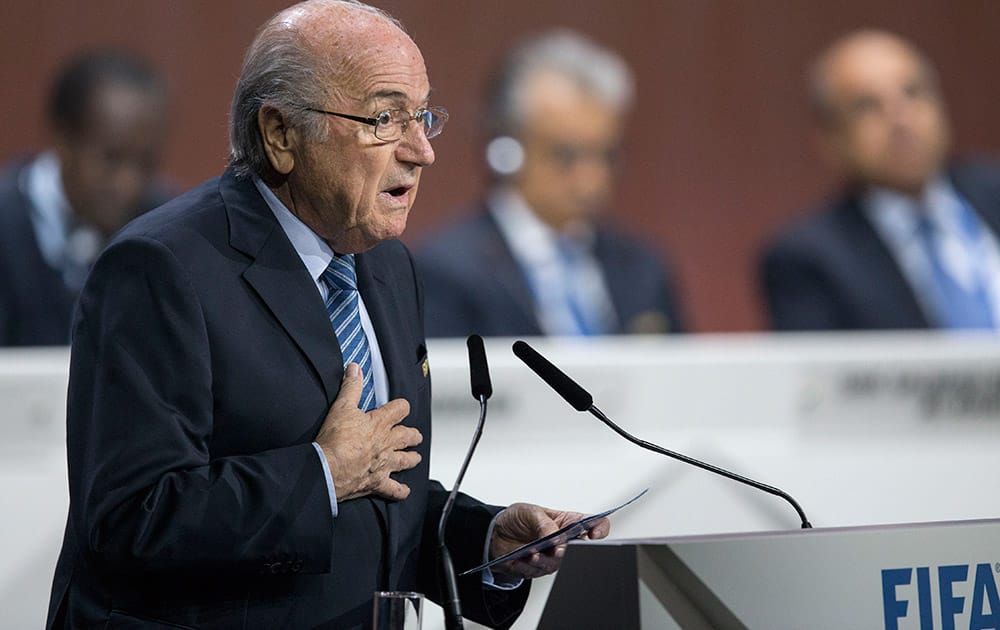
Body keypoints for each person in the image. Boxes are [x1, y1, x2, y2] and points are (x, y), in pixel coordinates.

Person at [45, 2, 609, 629]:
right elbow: (130, 519)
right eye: (385, 118)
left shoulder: (389, 268)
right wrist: (321, 472)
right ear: (282, 134)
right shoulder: (160, 269)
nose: (421, 151)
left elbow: (378, 495)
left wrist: (487, 541)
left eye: (422, 117)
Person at [416, 30, 685, 338]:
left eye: (606, 155)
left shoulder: (643, 267)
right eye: (566, 155)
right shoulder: (449, 269)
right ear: (507, 151)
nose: (591, 178)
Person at [760, 29, 1000, 331]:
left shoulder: (992, 192)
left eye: (913, 92)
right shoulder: (808, 260)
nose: (901, 119)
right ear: (831, 140)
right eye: (868, 105)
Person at [0, 49, 171, 346]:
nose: (128, 183)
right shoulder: (6, 223)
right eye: (110, 159)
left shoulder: (167, 222)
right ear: (63, 140)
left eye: (145, 162)